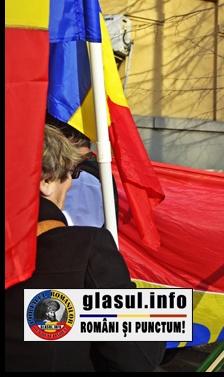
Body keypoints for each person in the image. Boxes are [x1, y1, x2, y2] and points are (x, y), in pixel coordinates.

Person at [5, 124, 166, 372]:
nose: (70, 183)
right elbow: (136, 357)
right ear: (46, 181)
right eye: (70, 173)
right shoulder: (84, 248)